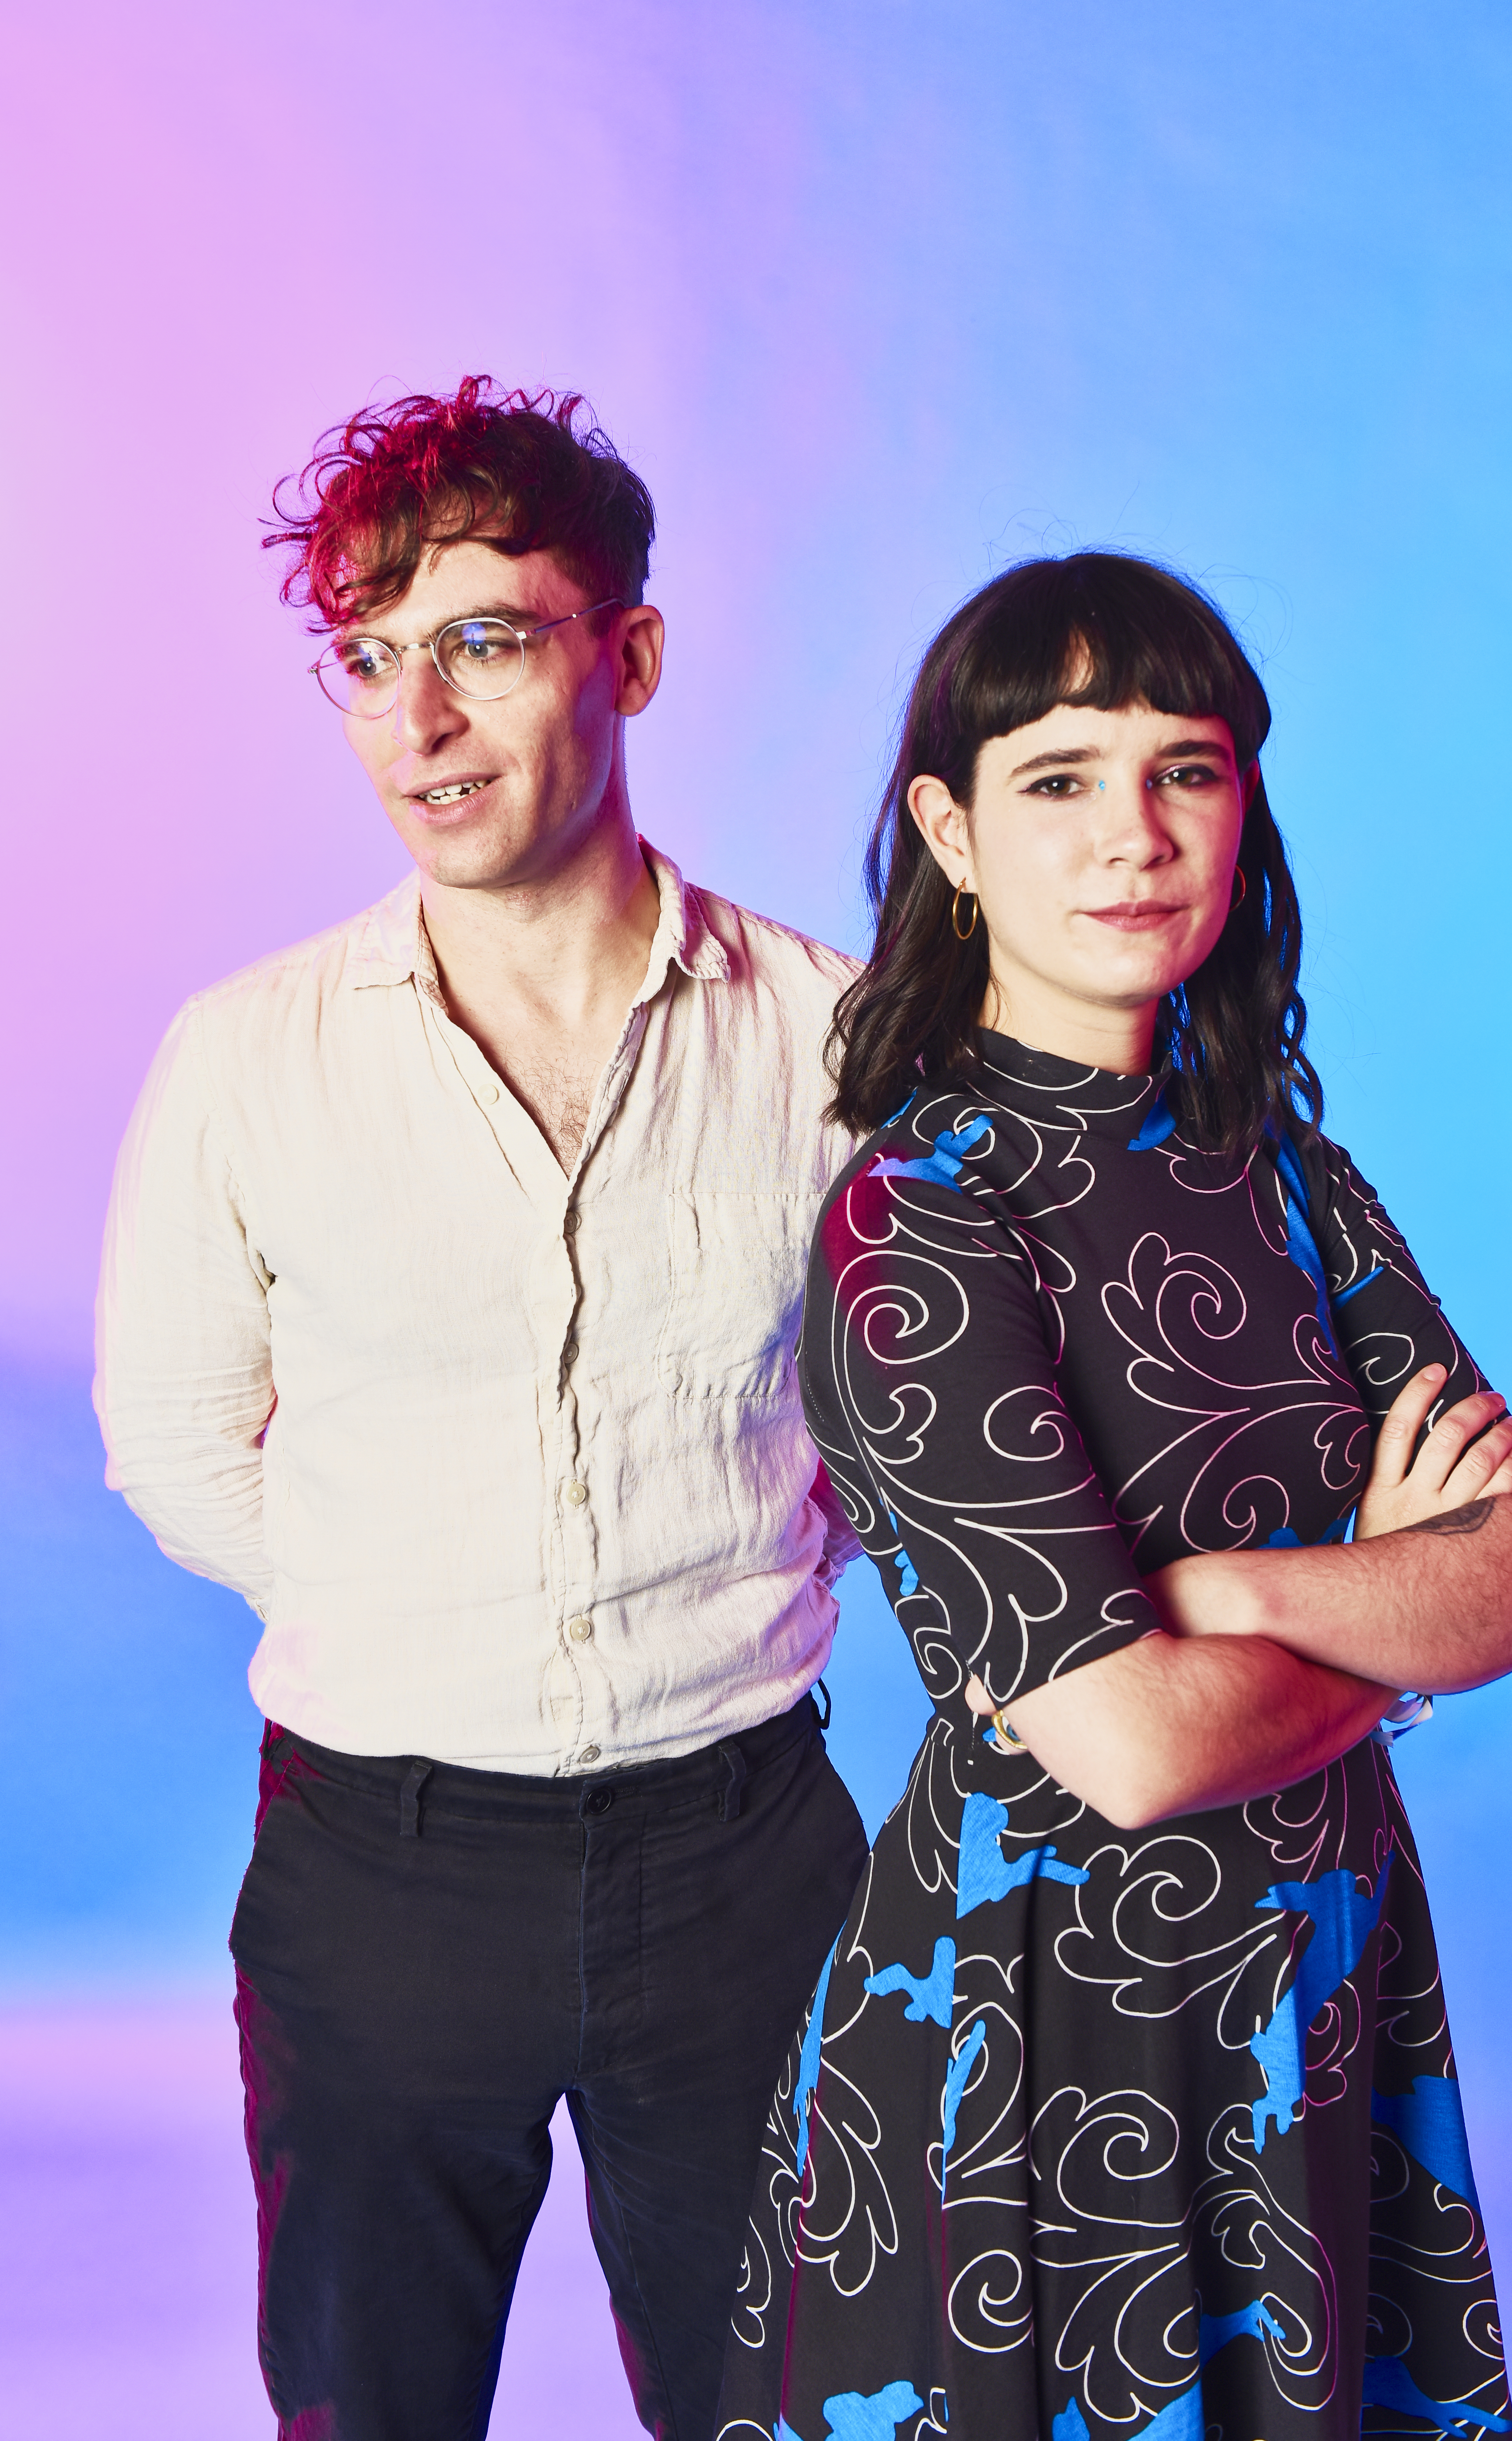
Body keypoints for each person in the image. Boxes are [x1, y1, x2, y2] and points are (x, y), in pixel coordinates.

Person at [714, 553, 1512, 2441]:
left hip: (1324, 1978)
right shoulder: (921, 1226)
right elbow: (1126, 1749)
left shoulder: (1291, 1182)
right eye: (1058, 779)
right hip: (1040, 2014)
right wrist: (1379, 1601)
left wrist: (1237, 1593)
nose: (1132, 835)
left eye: (1183, 771)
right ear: (950, 829)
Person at [93, 377, 870, 2441]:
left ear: (630, 655)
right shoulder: (248, 1056)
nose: (414, 724)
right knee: (366, 2410)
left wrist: (701, 1578)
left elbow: (908, 1430)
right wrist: (435, 1606)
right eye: (365, 661)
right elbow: (175, 1441)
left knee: (795, 2403)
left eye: (482, 644)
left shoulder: (834, 1040)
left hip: (746, 1864)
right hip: (381, 1866)